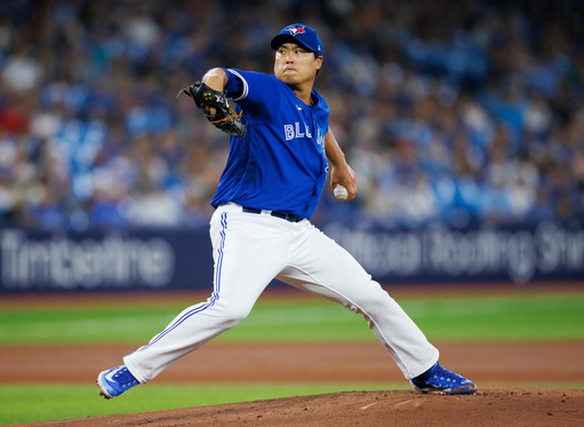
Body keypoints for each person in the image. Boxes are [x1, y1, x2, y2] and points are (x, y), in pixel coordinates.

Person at [97, 23, 476, 399]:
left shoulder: (317, 105)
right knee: (229, 309)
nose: (288, 58)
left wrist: (341, 164)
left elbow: (321, 126)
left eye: (298, 51)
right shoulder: (267, 91)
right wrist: (210, 89)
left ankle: (425, 370)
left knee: (372, 296)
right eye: (282, 52)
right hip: (248, 223)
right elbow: (220, 76)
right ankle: (131, 369)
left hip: (299, 233)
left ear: (318, 62)